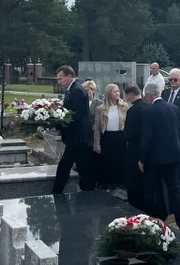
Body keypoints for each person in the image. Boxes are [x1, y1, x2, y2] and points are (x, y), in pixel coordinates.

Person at [138, 82, 180, 233]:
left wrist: (142, 159)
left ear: (149, 96)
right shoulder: (174, 108)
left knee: (152, 188)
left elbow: (147, 138)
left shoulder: (149, 111)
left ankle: (152, 219)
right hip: (174, 155)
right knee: (175, 190)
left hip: (157, 158)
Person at [52, 65, 97, 194]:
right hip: (77, 137)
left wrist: (59, 122)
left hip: (78, 138)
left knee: (65, 166)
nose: (59, 82)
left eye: (61, 79)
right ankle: (88, 192)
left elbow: (75, 115)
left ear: (69, 76)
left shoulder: (78, 91)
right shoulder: (73, 90)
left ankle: (57, 193)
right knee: (82, 168)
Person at [93, 83, 129, 188]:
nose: (117, 93)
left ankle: (115, 189)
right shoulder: (101, 109)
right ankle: (105, 188)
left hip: (120, 138)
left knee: (118, 166)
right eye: (114, 91)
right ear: (109, 93)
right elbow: (97, 128)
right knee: (107, 166)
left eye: (118, 91)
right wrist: (97, 144)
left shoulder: (124, 106)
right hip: (107, 138)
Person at [122, 84, 147, 211]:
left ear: (131, 95)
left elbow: (128, 133)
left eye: (127, 96)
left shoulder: (132, 111)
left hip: (135, 149)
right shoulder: (149, 107)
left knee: (134, 181)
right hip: (148, 149)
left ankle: (134, 207)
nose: (127, 99)